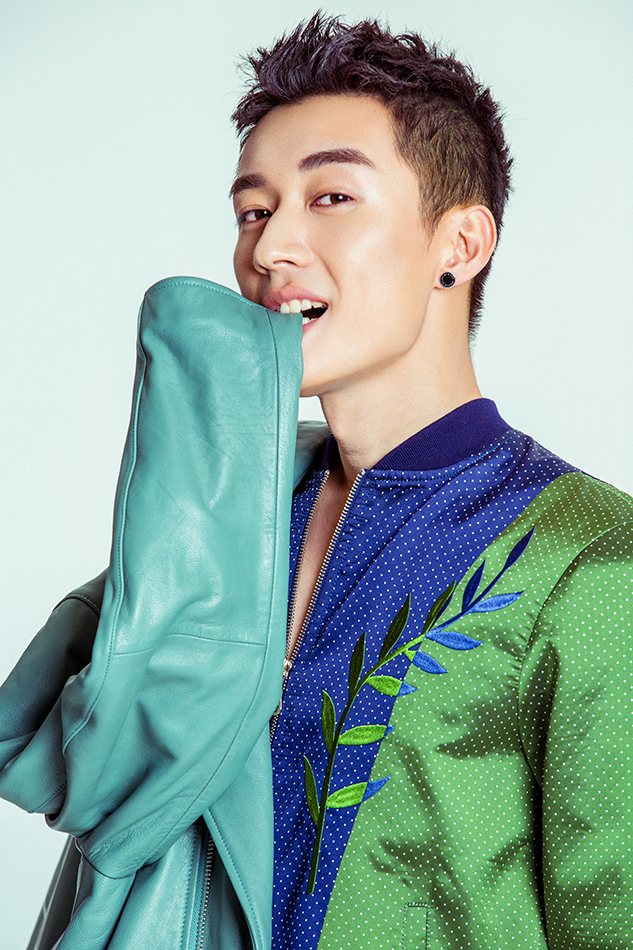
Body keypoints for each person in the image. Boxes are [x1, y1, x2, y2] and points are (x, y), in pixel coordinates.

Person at [1, 11, 631, 950]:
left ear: (459, 244)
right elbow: (74, 776)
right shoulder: (226, 511)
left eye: (331, 197)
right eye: (253, 211)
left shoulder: (591, 561)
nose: (268, 249)